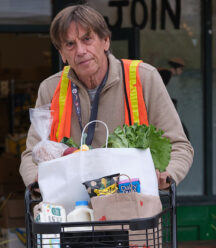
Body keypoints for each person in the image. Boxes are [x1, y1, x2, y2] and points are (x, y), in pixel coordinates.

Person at [20, 5, 193, 192]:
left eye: (87, 39)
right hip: (71, 212)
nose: (80, 50)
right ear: (62, 54)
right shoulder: (50, 88)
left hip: (134, 206)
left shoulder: (144, 78)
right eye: (70, 44)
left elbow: (179, 145)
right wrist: (36, 181)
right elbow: (32, 154)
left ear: (106, 41)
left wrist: (168, 174)